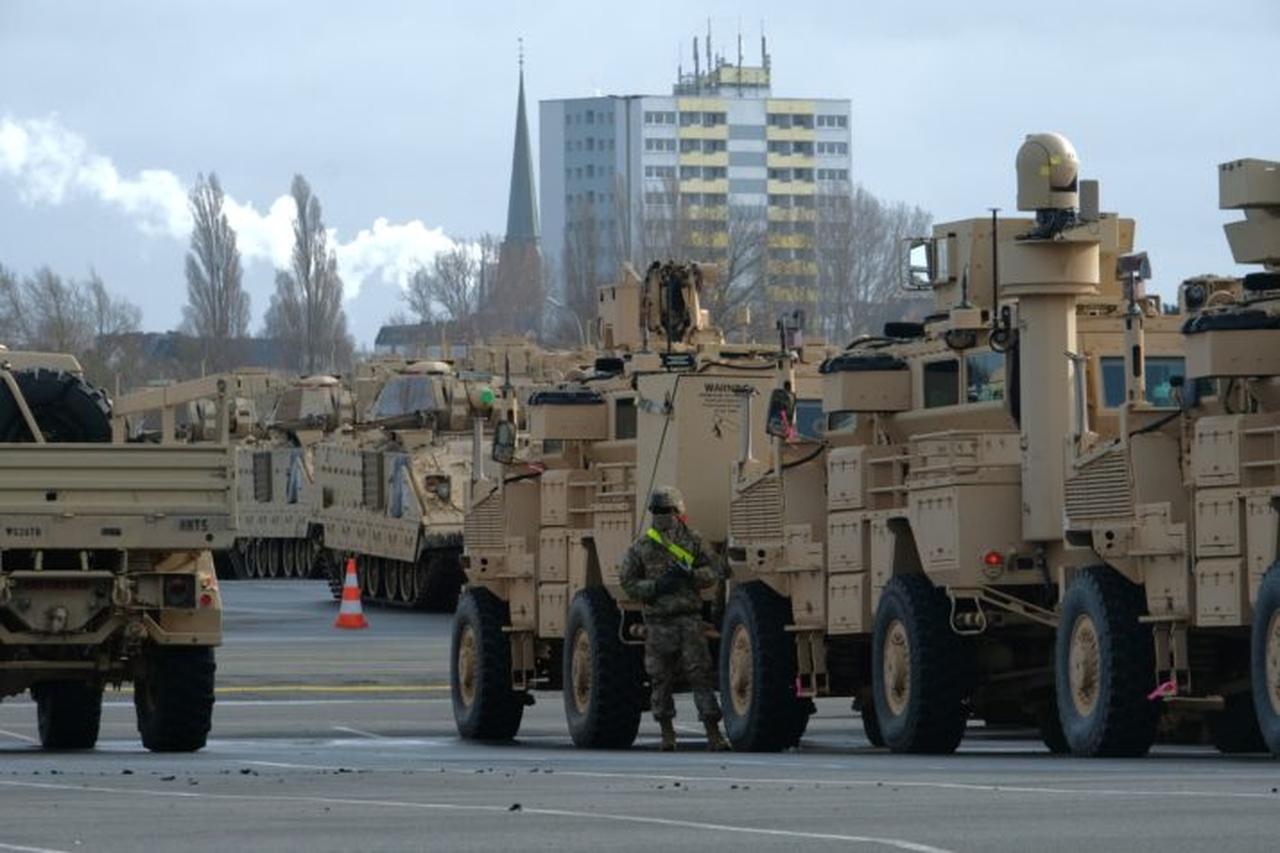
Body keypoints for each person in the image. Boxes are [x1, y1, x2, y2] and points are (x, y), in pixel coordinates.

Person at [620, 486, 730, 752]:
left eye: (666, 511)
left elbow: (716, 570)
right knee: (668, 679)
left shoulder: (687, 541)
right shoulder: (646, 545)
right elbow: (628, 582)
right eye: (662, 511)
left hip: (681, 622)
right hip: (667, 623)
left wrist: (689, 576)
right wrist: (658, 587)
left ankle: (703, 734)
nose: (664, 515)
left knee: (689, 677)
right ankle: (676, 736)